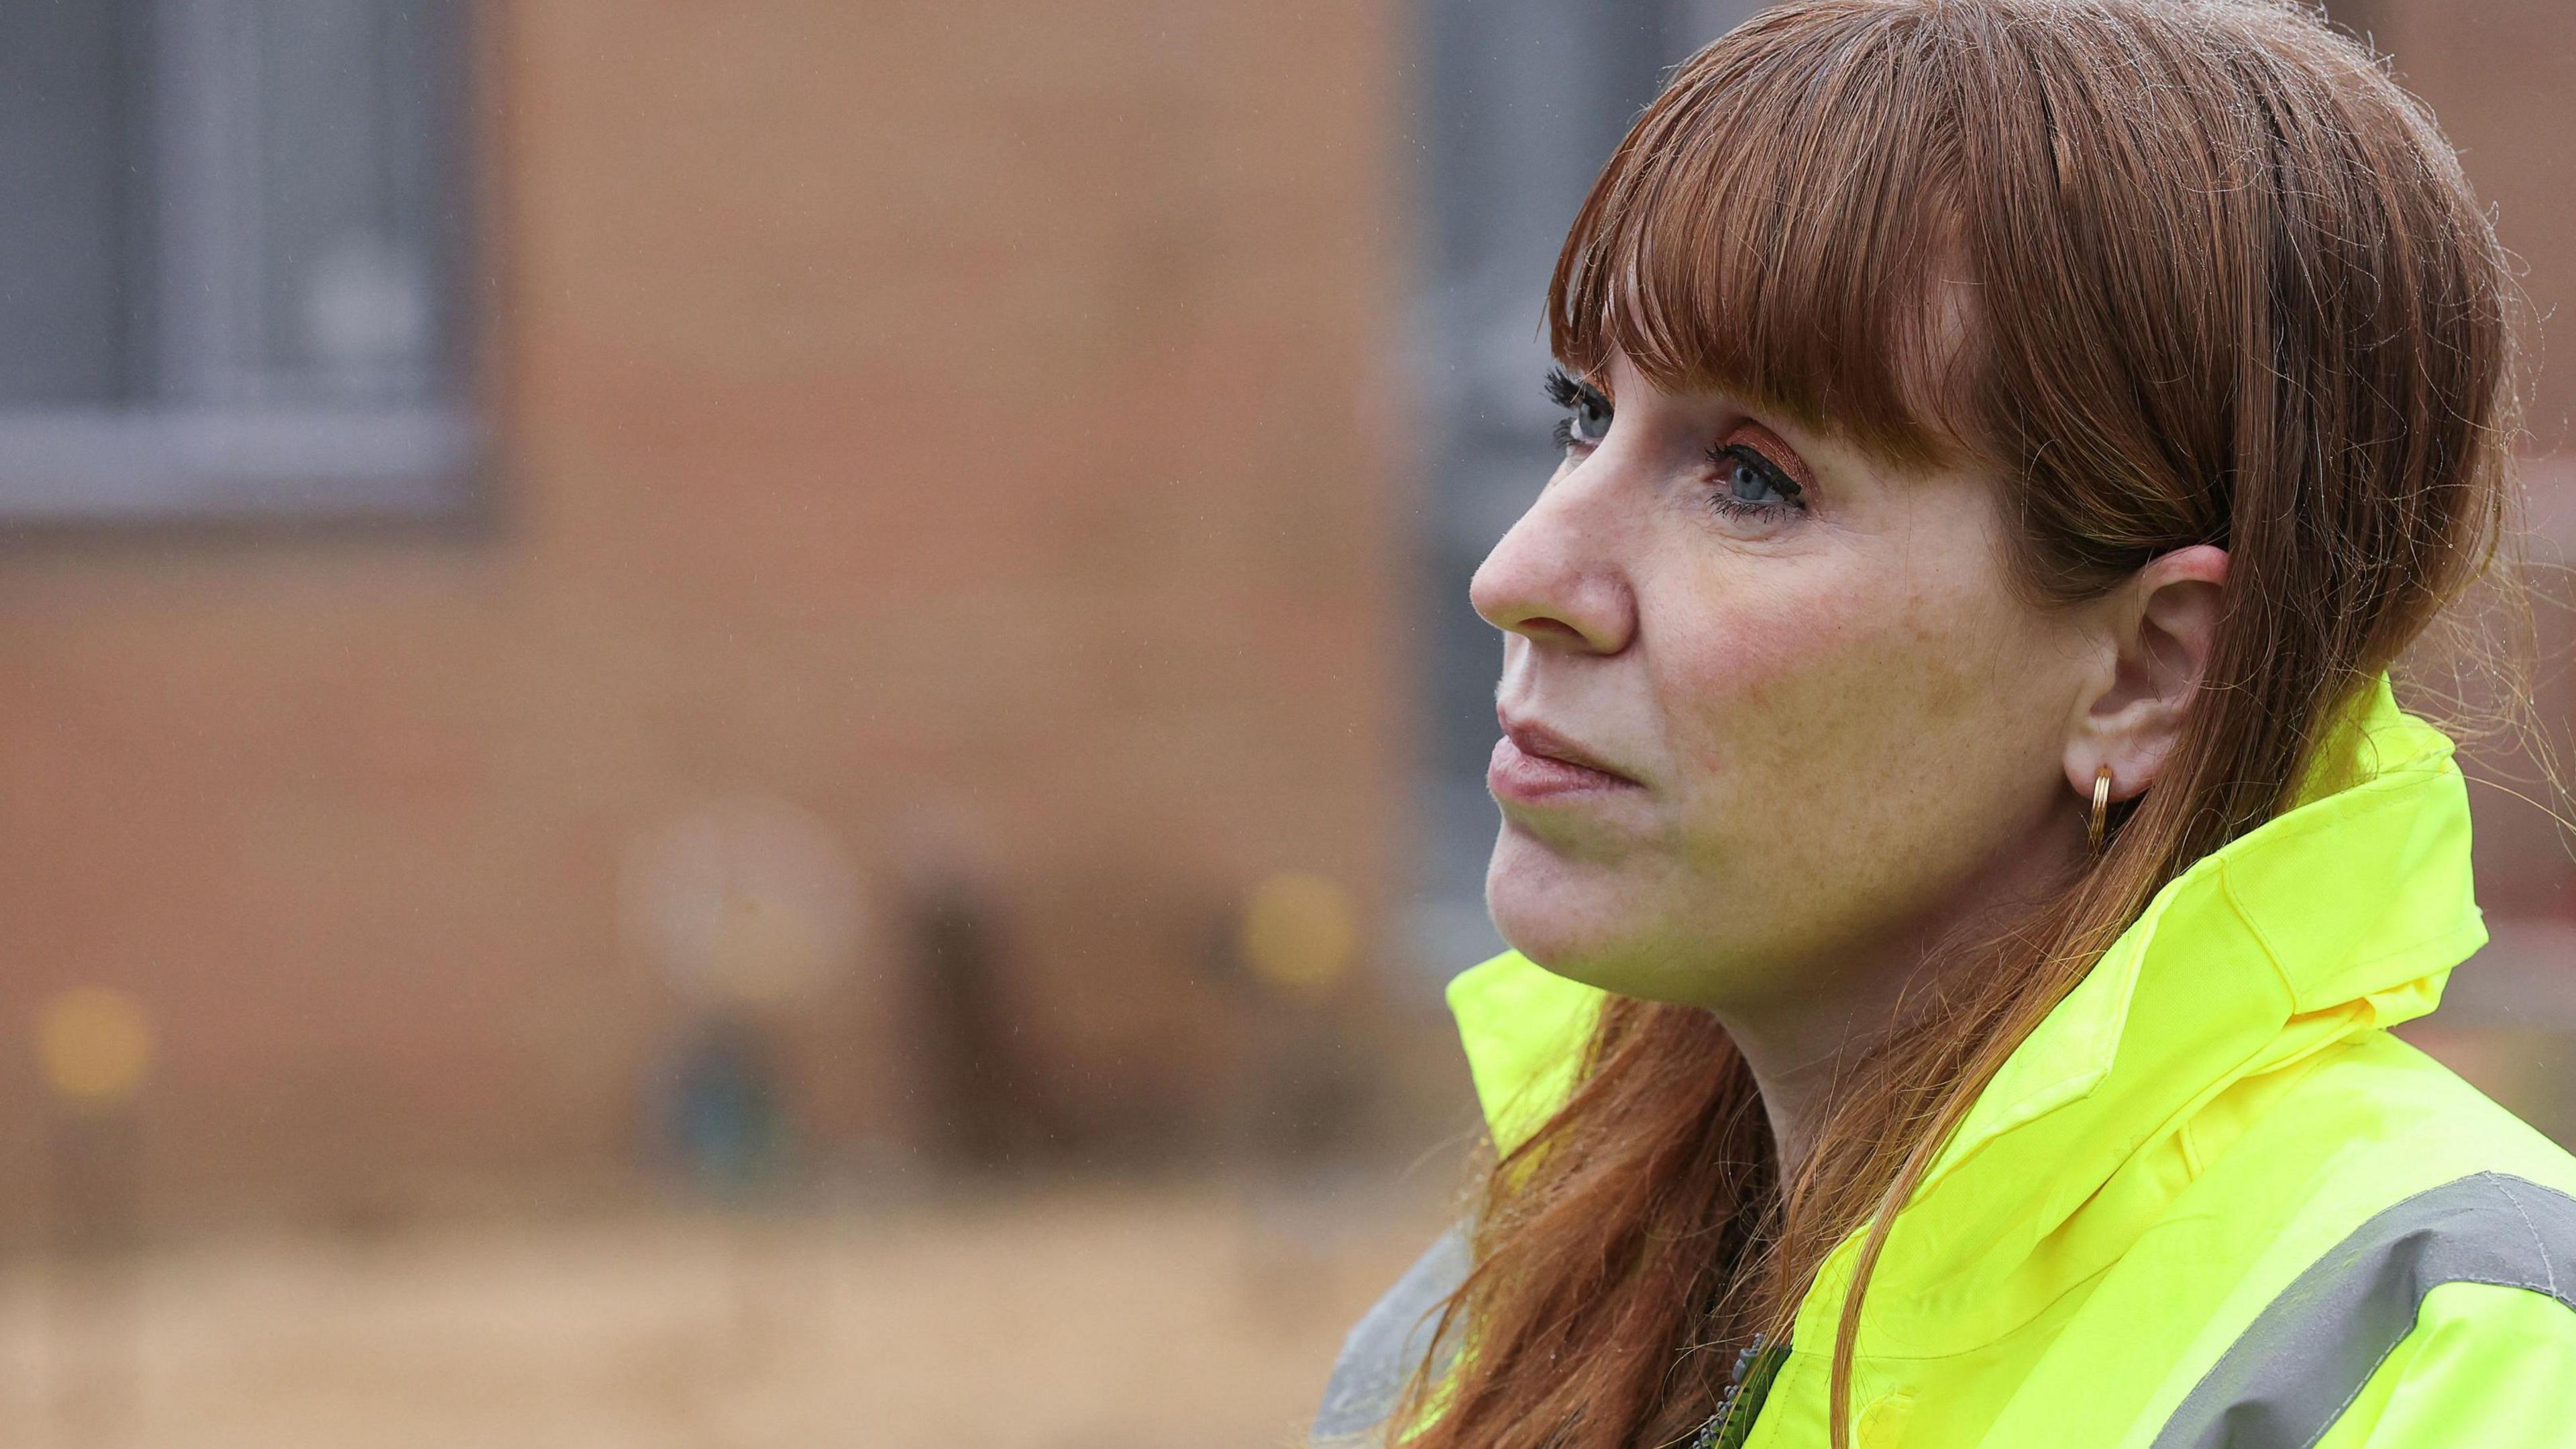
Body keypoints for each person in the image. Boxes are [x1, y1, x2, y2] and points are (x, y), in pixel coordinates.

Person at [1311, 3, 2576, 1447]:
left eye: (1751, 478)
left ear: (2150, 676)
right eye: (1585, 412)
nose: (1519, 576)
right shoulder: (1477, 1343)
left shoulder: (2449, 1366)